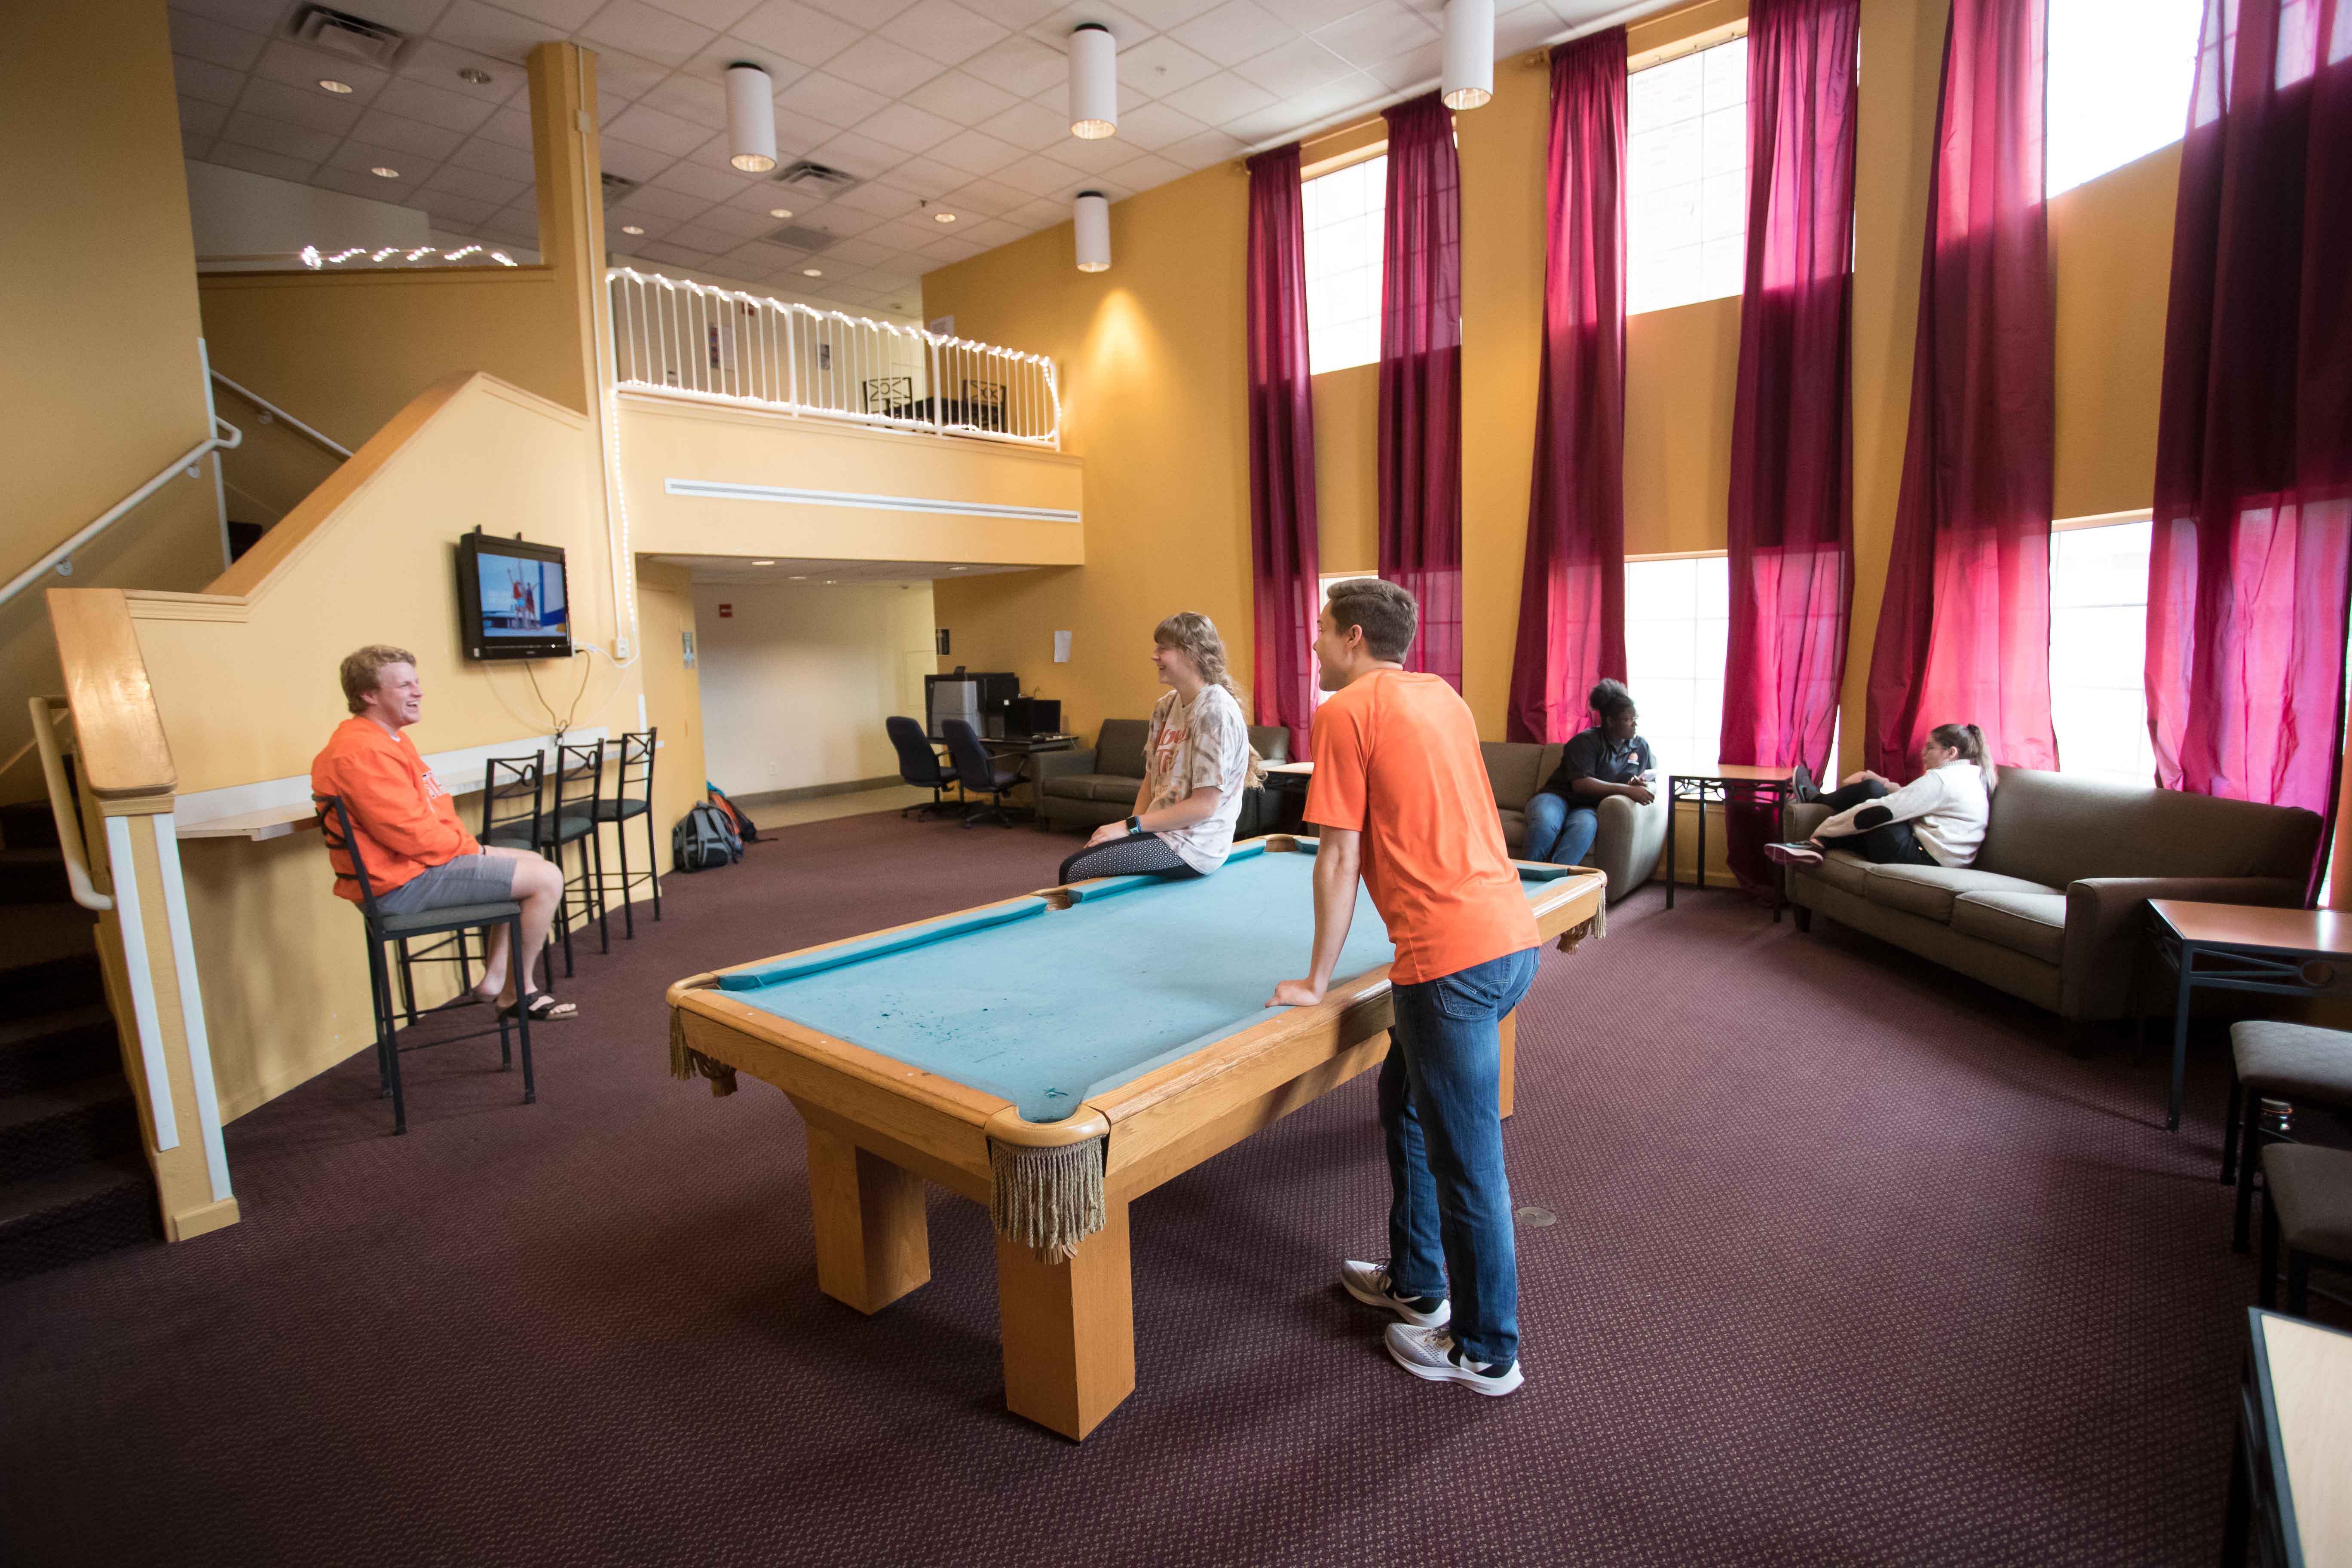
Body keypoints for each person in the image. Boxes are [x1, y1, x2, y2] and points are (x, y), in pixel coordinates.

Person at [1269, 578, 1539, 1396]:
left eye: (1318, 630)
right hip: (1509, 940)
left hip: (1448, 962)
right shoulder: (1441, 696)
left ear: (1352, 637)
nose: (1312, 644)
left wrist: (1316, 979)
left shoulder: (1345, 710)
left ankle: (1487, 1349)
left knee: (1469, 1163)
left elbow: (1339, 855)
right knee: (1408, 1103)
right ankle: (1417, 1279)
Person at [311, 645, 575, 1022]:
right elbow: (411, 835)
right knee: (546, 878)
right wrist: (476, 851)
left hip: (415, 869)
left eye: (416, 682)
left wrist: (475, 849)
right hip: (398, 886)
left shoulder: (388, 740)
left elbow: (430, 820)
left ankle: (497, 978)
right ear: (369, 695)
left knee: (530, 861)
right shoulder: (361, 752)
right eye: (404, 686)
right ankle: (518, 992)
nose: (418, 692)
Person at [1057, 613, 1263, 886]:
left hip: (1195, 846)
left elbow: (1204, 806)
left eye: (1163, 648)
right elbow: (1151, 781)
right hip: (1163, 833)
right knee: (1091, 857)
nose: (1155, 656)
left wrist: (1129, 827)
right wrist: (1130, 829)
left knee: (1076, 869)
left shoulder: (1215, 711)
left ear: (1191, 655)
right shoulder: (1165, 706)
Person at [1763, 723, 1996, 870]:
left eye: (1930, 747)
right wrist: (1884, 783)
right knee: (1874, 792)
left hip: (1923, 858)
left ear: (1951, 752)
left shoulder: (1943, 780)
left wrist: (1824, 829)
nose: (1923, 754)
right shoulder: (1972, 777)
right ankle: (1815, 847)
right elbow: (1910, 798)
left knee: (1872, 794)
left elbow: (1884, 810)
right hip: (1943, 860)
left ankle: (1815, 806)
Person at [1522, 678, 1656, 867]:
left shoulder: (1640, 746)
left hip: (1588, 808)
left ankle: (1555, 883)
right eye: (1628, 719)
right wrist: (1626, 790)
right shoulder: (1586, 742)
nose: (1634, 724)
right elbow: (1582, 784)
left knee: (1585, 828)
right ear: (1610, 721)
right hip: (1557, 797)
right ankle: (1525, 878)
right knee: (1545, 823)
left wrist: (1639, 784)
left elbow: (1651, 777)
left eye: (1636, 718)